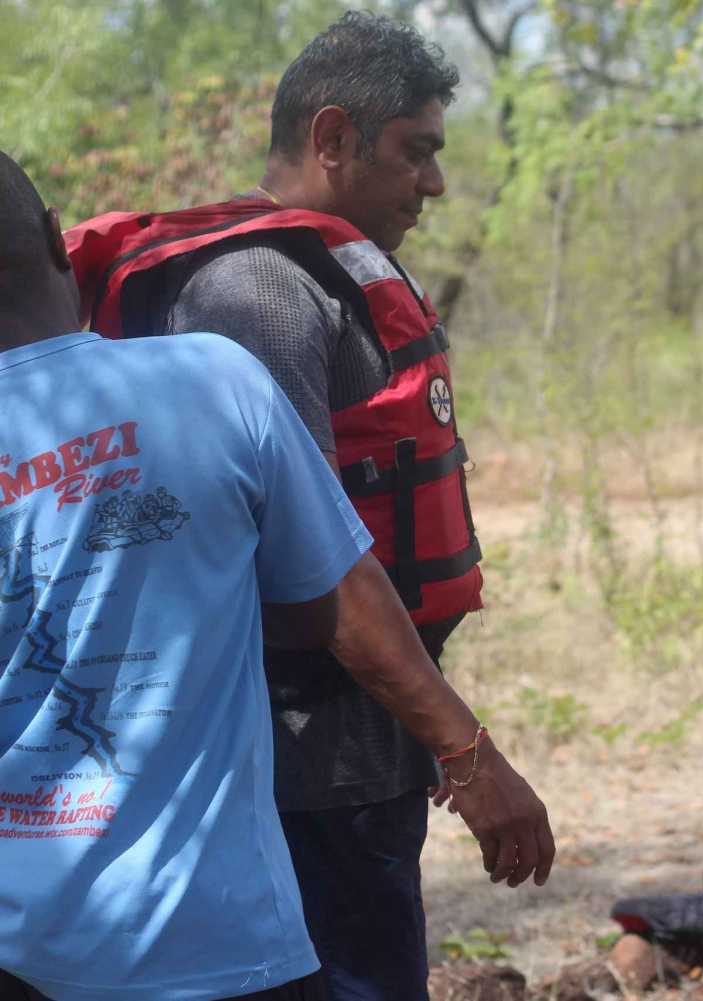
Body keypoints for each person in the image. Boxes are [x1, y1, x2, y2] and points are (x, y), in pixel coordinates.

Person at [64, 13, 552, 998]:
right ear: (333, 139)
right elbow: (313, 568)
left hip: (355, 748)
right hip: (305, 764)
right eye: (418, 154)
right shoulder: (259, 292)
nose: (436, 184)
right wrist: (467, 751)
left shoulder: (323, 268)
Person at [0, 153, 350, 999]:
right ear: (58, 240)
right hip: (219, 944)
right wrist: (467, 750)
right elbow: (336, 600)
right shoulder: (211, 377)